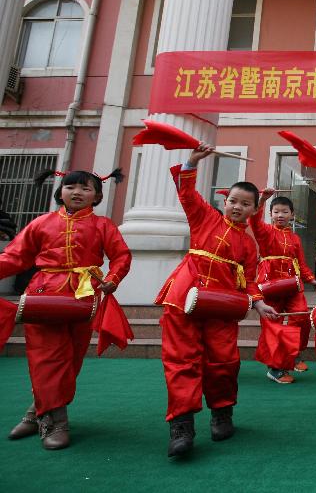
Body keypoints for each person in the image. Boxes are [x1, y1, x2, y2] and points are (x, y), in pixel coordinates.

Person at [157, 143, 278, 457]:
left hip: (222, 307)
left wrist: (258, 302)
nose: (237, 207)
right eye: (233, 201)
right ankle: (181, 426)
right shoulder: (203, 218)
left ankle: (222, 413)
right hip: (184, 298)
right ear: (225, 201)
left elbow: (250, 280)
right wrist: (191, 163)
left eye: (245, 204)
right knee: (181, 361)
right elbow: (186, 193)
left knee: (224, 362)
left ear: (254, 210)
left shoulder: (249, 247)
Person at [2, 169, 131, 450]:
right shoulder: (40, 224)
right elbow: (14, 256)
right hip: (42, 295)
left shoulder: (103, 226)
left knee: (71, 360)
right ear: (60, 192)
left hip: (83, 296)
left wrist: (112, 279)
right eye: (70, 186)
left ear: (96, 196)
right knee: (45, 358)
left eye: (85, 189)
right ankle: (55, 422)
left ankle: (35, 413)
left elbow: (121, 255)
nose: (77, 192)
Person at [252, 189, 316, 383]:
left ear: (292, 215)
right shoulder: (265, 230)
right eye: (276, 212)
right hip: (269, 284)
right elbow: (254, 221)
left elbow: (301, 262)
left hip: (292, 284)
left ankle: (293, 355)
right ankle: (274, 368)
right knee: (272, 324)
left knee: (301, 318)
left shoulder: (295, 238)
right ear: (270, 214)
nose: (280, 215)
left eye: (284, 212)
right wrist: (263, 199)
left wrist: (311, 279)